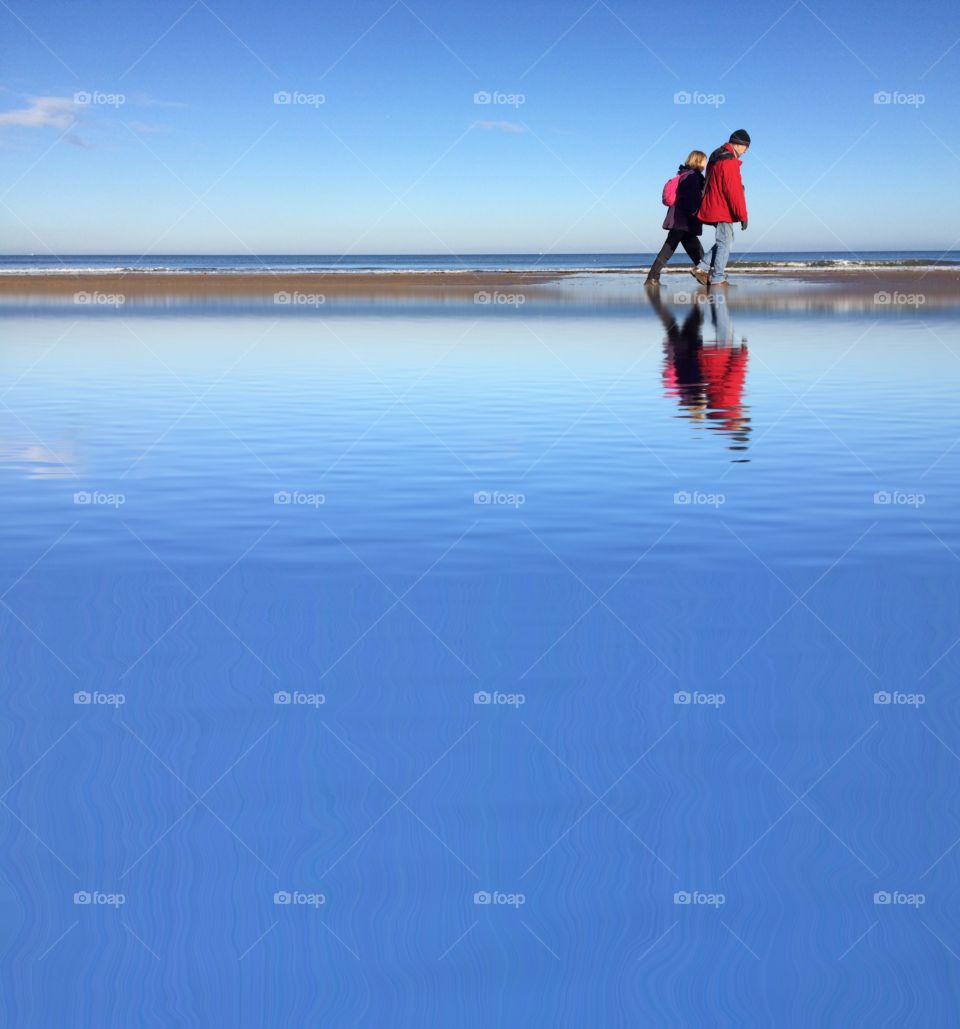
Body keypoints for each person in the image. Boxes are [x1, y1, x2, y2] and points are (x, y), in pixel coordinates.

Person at [691, 129, 750, 288]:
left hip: (714, 204)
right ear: (738, 144)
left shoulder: (716, 156)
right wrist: (743, 215)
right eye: (746, 146)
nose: (746, 150)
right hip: (722, 208)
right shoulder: (729, 162)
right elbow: (733, 190)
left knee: (726, 241)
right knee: (725, 241)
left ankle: (702, 268)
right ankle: (717, 277)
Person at [645, 150, 707, 287]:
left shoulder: (684, 174)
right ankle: (652, 278)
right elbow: (692, 199)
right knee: (670, 248)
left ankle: (705, 274)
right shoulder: (693, 177)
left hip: (680, 217)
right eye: (704, 161)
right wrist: (699, 214)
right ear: (698, 161)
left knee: (693, 247)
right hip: (684, 219)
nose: (705, 164)